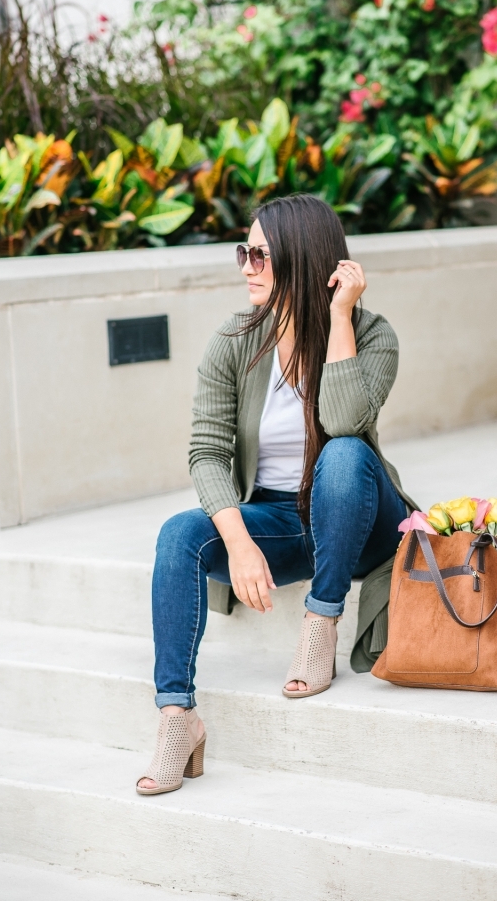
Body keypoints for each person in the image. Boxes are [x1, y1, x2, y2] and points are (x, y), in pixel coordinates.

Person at [137, 194, 415, 796]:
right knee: (179, 534)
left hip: (363, 517)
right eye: (245, 252)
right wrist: (239, 544)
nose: (247, 266)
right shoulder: (235, 339)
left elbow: (344, 421)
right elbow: (206, 453)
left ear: (302, 256)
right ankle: (177, 717)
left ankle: (321, 624)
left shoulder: (373, 334)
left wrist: (339, 318)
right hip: (282, 521)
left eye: (260, 255)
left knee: (345, 453)